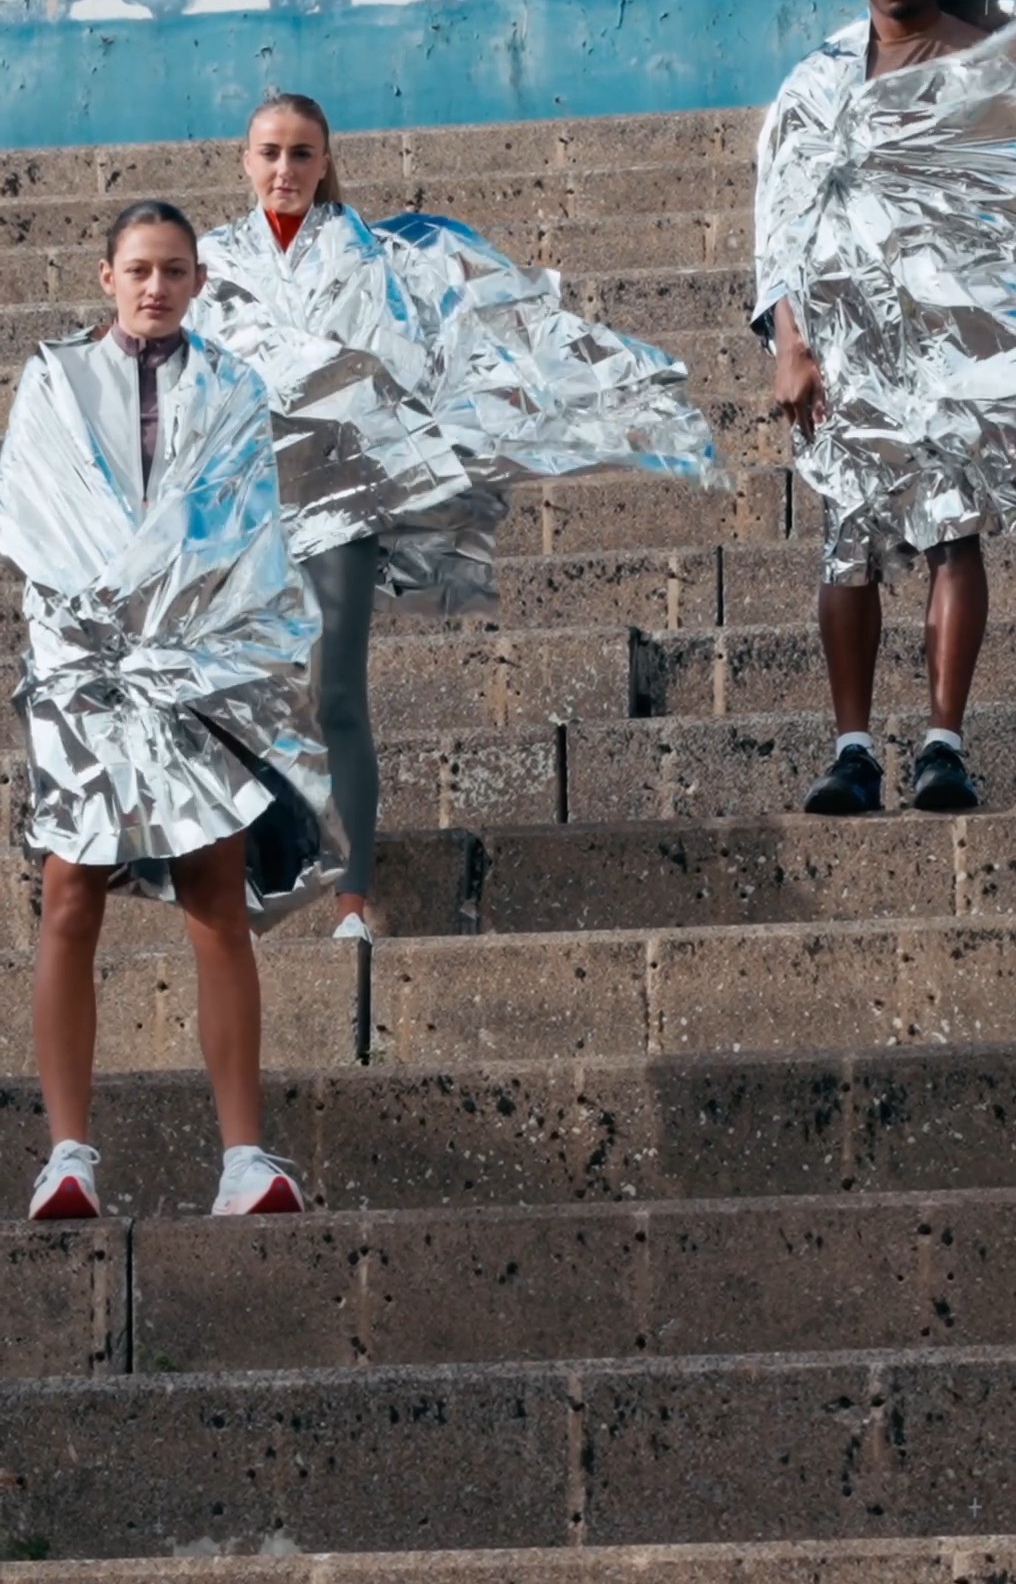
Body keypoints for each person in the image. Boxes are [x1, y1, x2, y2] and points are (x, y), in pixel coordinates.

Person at [194, 94, 718, 933]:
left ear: (326, 160)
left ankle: (356, 898)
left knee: (337, 691)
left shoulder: (374, 255)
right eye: (270, 153)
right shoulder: (210, 260)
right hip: (245, 505)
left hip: (344, 494)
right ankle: (257, 878)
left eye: (301, 153)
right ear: (244, 159)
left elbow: (435, 342)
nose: (285, 171)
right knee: (251, 694)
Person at [1, 201, 340, 1222]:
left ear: (199, 283)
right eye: (140, 269)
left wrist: (179, 638)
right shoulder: (53, 380)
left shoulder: (233, 387)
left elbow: (244, 532)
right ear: (106, 275)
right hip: (90, 672)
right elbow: (38, 520)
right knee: (70, 897)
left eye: (176, 271)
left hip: (198, 669)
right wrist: (119, 631)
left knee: (215, 899)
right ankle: (67, 1153)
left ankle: (244, 1158)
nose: (156, 286)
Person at [753, 0, 1016, 816]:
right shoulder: (820, 80)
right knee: (845, 542)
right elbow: (781, 218)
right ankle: (851, 749)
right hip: (846, 337)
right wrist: (790, 344)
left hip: (957, 340)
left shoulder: (990, 63)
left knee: (954, 531)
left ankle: (944, 744)